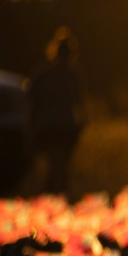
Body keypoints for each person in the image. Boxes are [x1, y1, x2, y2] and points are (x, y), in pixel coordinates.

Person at [29, 27, 87, 195]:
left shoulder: (46, 75)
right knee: (59, 166)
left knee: (58, 166)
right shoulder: (70, 75)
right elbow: (80, 104)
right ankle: (56, 197)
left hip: (56, 127)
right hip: (58, 127)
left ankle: (54, 197)